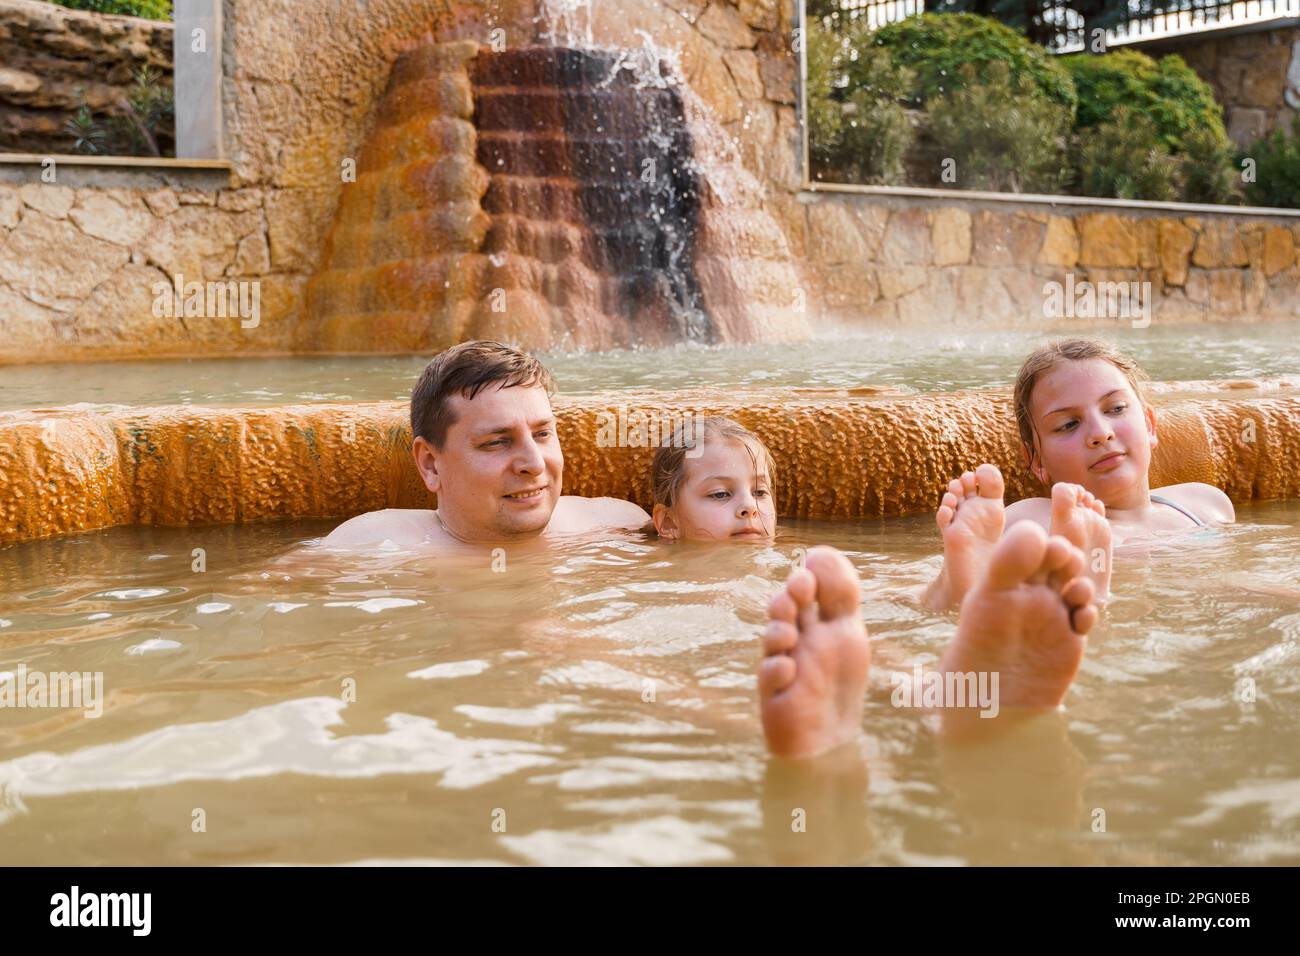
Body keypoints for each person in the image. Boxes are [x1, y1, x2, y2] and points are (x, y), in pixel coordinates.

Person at [923, 338, 1235, 610]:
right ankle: (956, 588)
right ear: (1036, 461)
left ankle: (1075, 595)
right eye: (1068, 424)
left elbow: (1232, 584)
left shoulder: (1205, 505)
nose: (1100, 433)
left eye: (1115, 408)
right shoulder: (1035, 520)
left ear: (1150, 425)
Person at [324, 340, 650, 550]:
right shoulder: (366, 549)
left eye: (542, 434)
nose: (534, 463)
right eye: (496, 442)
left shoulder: (619, 527)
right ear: (430, 464)